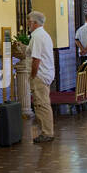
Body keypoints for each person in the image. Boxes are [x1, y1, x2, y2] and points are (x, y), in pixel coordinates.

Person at [27, 10, 55, 144]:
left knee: (41, 104)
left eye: (29, 21)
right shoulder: (43, 35)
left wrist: (33, 75)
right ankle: (46, 131)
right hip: (46, 73)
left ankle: (47, 132)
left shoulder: (37, 36)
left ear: (35, 23)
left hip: (40, 75)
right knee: (41, 103)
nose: (28, 24)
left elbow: (36, 59)